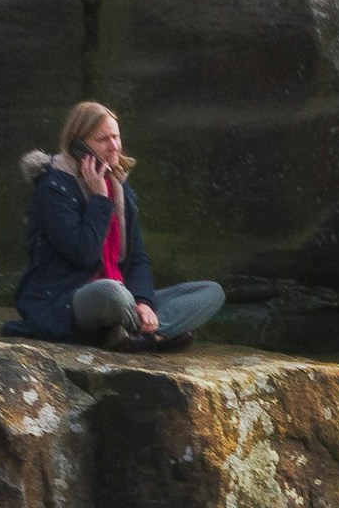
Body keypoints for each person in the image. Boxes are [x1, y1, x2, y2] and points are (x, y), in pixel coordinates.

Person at [19, 102, 220, 345]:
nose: (114, 146)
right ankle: (157, 335)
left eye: (116, 137)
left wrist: (144, 303)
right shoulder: (54, 187)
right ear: (79, 145)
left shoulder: (119, 185)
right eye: (103, 139)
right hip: (69, 299)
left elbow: (138, 259)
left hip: (123, 294)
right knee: (111, 294)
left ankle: (135, 336)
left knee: (211, 293)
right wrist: (99, 200)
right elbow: (83, 253)